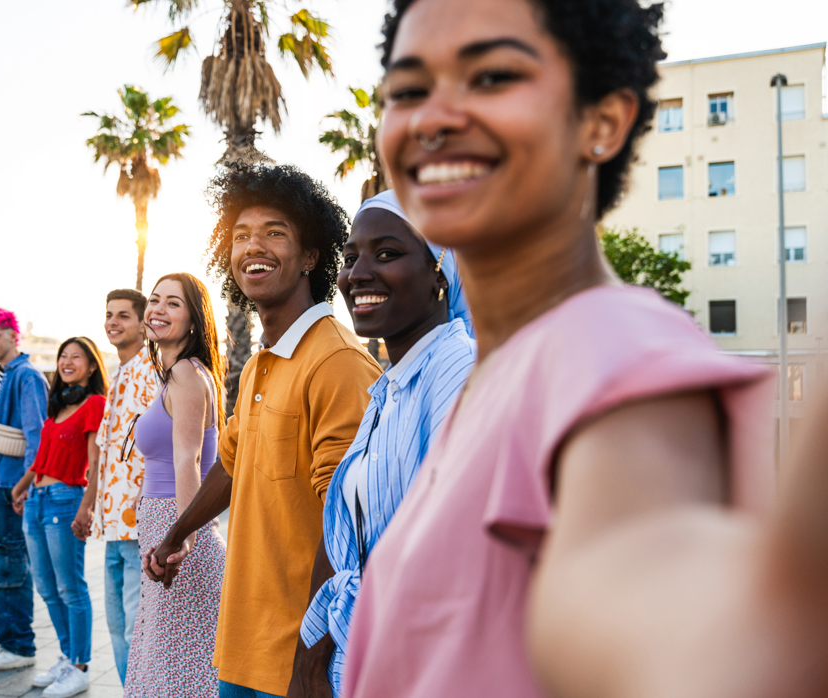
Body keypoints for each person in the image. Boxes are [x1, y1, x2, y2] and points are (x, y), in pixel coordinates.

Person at [340, 1, 807, 697]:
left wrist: (735, 637)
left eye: (492, 77)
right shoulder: (487, 373)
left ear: (602, 122)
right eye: (409, 89)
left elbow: (633, 579)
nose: (434, 118)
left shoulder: (616, 358)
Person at [145, 164, 382, 698]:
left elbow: (348, 521)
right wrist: (175, 537)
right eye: (241, 234)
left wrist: (315, 653)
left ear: (311, 256)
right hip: (242, 648)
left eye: (275, 232)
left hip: (299, 661)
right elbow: (230, 464)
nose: (255, 245)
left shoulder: (337, 362)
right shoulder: (258, 365)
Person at [296, 190, 476, 696]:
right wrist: (311, 661)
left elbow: (461, 564)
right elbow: (349, 543)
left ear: (440, 274)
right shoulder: (389, 388)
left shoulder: (457, 373)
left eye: (388, 253)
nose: (358, 273)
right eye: (351, 257)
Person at [125, 273, 227, 697]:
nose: (158, 310)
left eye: (173, 303)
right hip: (168, 522)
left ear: (194, 319)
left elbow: (190, 459)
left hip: (177, 528)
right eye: (154, 300)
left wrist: (183, 537)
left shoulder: (186, 373)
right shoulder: (182, 374)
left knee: (176, 666)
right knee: (173, 657)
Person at [71, 289, 158, 685]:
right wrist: (88, 505)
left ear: (143, 323)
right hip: (111, 526)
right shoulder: (120, 373)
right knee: (119, 627)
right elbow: (105, 452)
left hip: (138, 526)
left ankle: (139, 691)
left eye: (123, 315)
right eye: (109, 315)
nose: (113, 322)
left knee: (136, 628)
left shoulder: (153, 371)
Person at [11, 337, 107, 698]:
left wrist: (88, 505)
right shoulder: (57, 408)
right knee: (47, 588)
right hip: (36, 500)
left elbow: (97, 461)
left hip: (66, 499)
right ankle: (68, 656)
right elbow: (41, 459)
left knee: (70, 586)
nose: (67, 362)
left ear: (92, 365)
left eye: (76, 357)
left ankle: (79, 666)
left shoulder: (95, 404)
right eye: (62, 357)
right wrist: (22, 487)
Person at [0, 308, 48, 673]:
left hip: (10, 486)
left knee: (4, 564)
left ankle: (17, 644)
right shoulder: (8, 374)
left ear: (12, 335)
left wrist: (23, 488)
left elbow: (36, 436)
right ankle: (8, 632)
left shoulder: (26, 377)